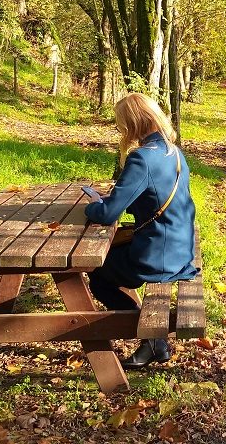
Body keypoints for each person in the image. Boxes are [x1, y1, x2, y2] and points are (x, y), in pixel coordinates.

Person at [84, 92, 197, 369]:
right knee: (111, 255)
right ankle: (152, 341)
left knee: (98, 273)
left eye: (121, 123)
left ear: (132, 124)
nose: (120, 129)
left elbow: (109, 214)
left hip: (158, 255)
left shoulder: (142, 158)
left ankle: (151, 336)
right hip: (180, 247)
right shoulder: (174, 152)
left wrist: (92, 206)